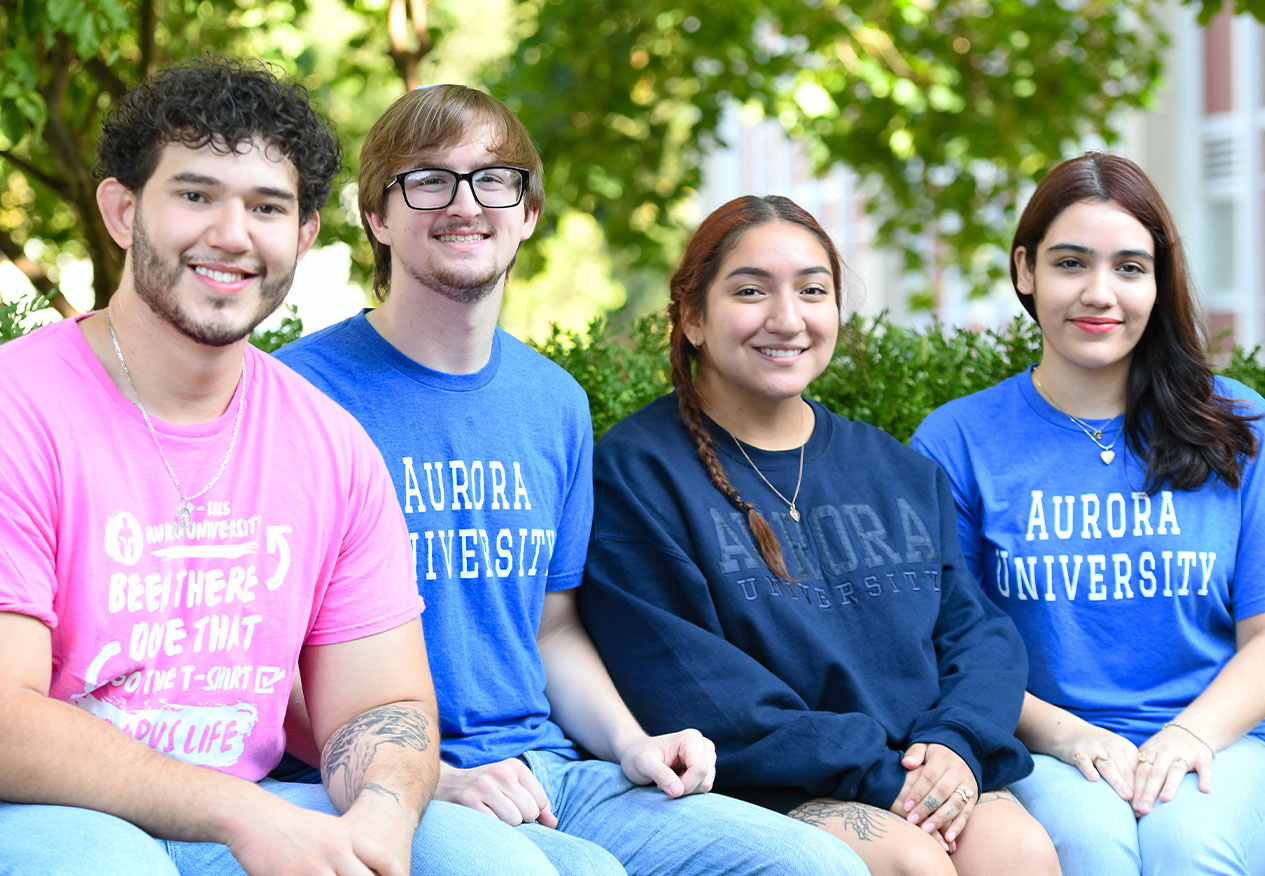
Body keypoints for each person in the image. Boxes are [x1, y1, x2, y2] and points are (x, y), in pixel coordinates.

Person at [276, 85, 869, 875]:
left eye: (493, 179)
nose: (465, 204)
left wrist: (632, 743)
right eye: (427, 179)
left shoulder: (552, 401)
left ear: (525, 213)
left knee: (815, 865)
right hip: (385, 779)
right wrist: (414, 775)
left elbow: (549, 628)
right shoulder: (298, 395)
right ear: (377, 216)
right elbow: (264, 652)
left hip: (548, 768)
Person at [0, 56, 507, 876]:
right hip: (45, 814)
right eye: (196, 195)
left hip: (257, 811)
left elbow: (381, 704)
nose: (232, 235)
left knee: (499, 863)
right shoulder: (17, 407)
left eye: (266, 207)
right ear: (123, 211)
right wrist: (240, 812)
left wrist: (379, 815)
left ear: (303, 235)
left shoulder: (328, 443)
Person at [578, 194, 1060, 876]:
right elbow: (686, 682)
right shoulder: (637, 475)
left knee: (1019, 852)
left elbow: (975, 634)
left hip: (923, 761)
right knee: (909, 865)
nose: (787, 318)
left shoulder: (897, 470)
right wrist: (878, 773)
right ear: (691, 316)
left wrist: (954, 742)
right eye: (751, 291)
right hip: (770, 786)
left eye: (812, 291)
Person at [911, 152, 1265, 875]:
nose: (1099, 294)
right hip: (1041, 745)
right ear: (1024, 270)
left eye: (1130, 268)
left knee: (1186, 847)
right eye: (1071, 263)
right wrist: (1069, 736)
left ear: (1158, 283)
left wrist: (1188, 736)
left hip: (1218, 741)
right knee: (1089, 849)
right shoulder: (956, 442)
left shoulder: (1238, 423)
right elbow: (950, 645)